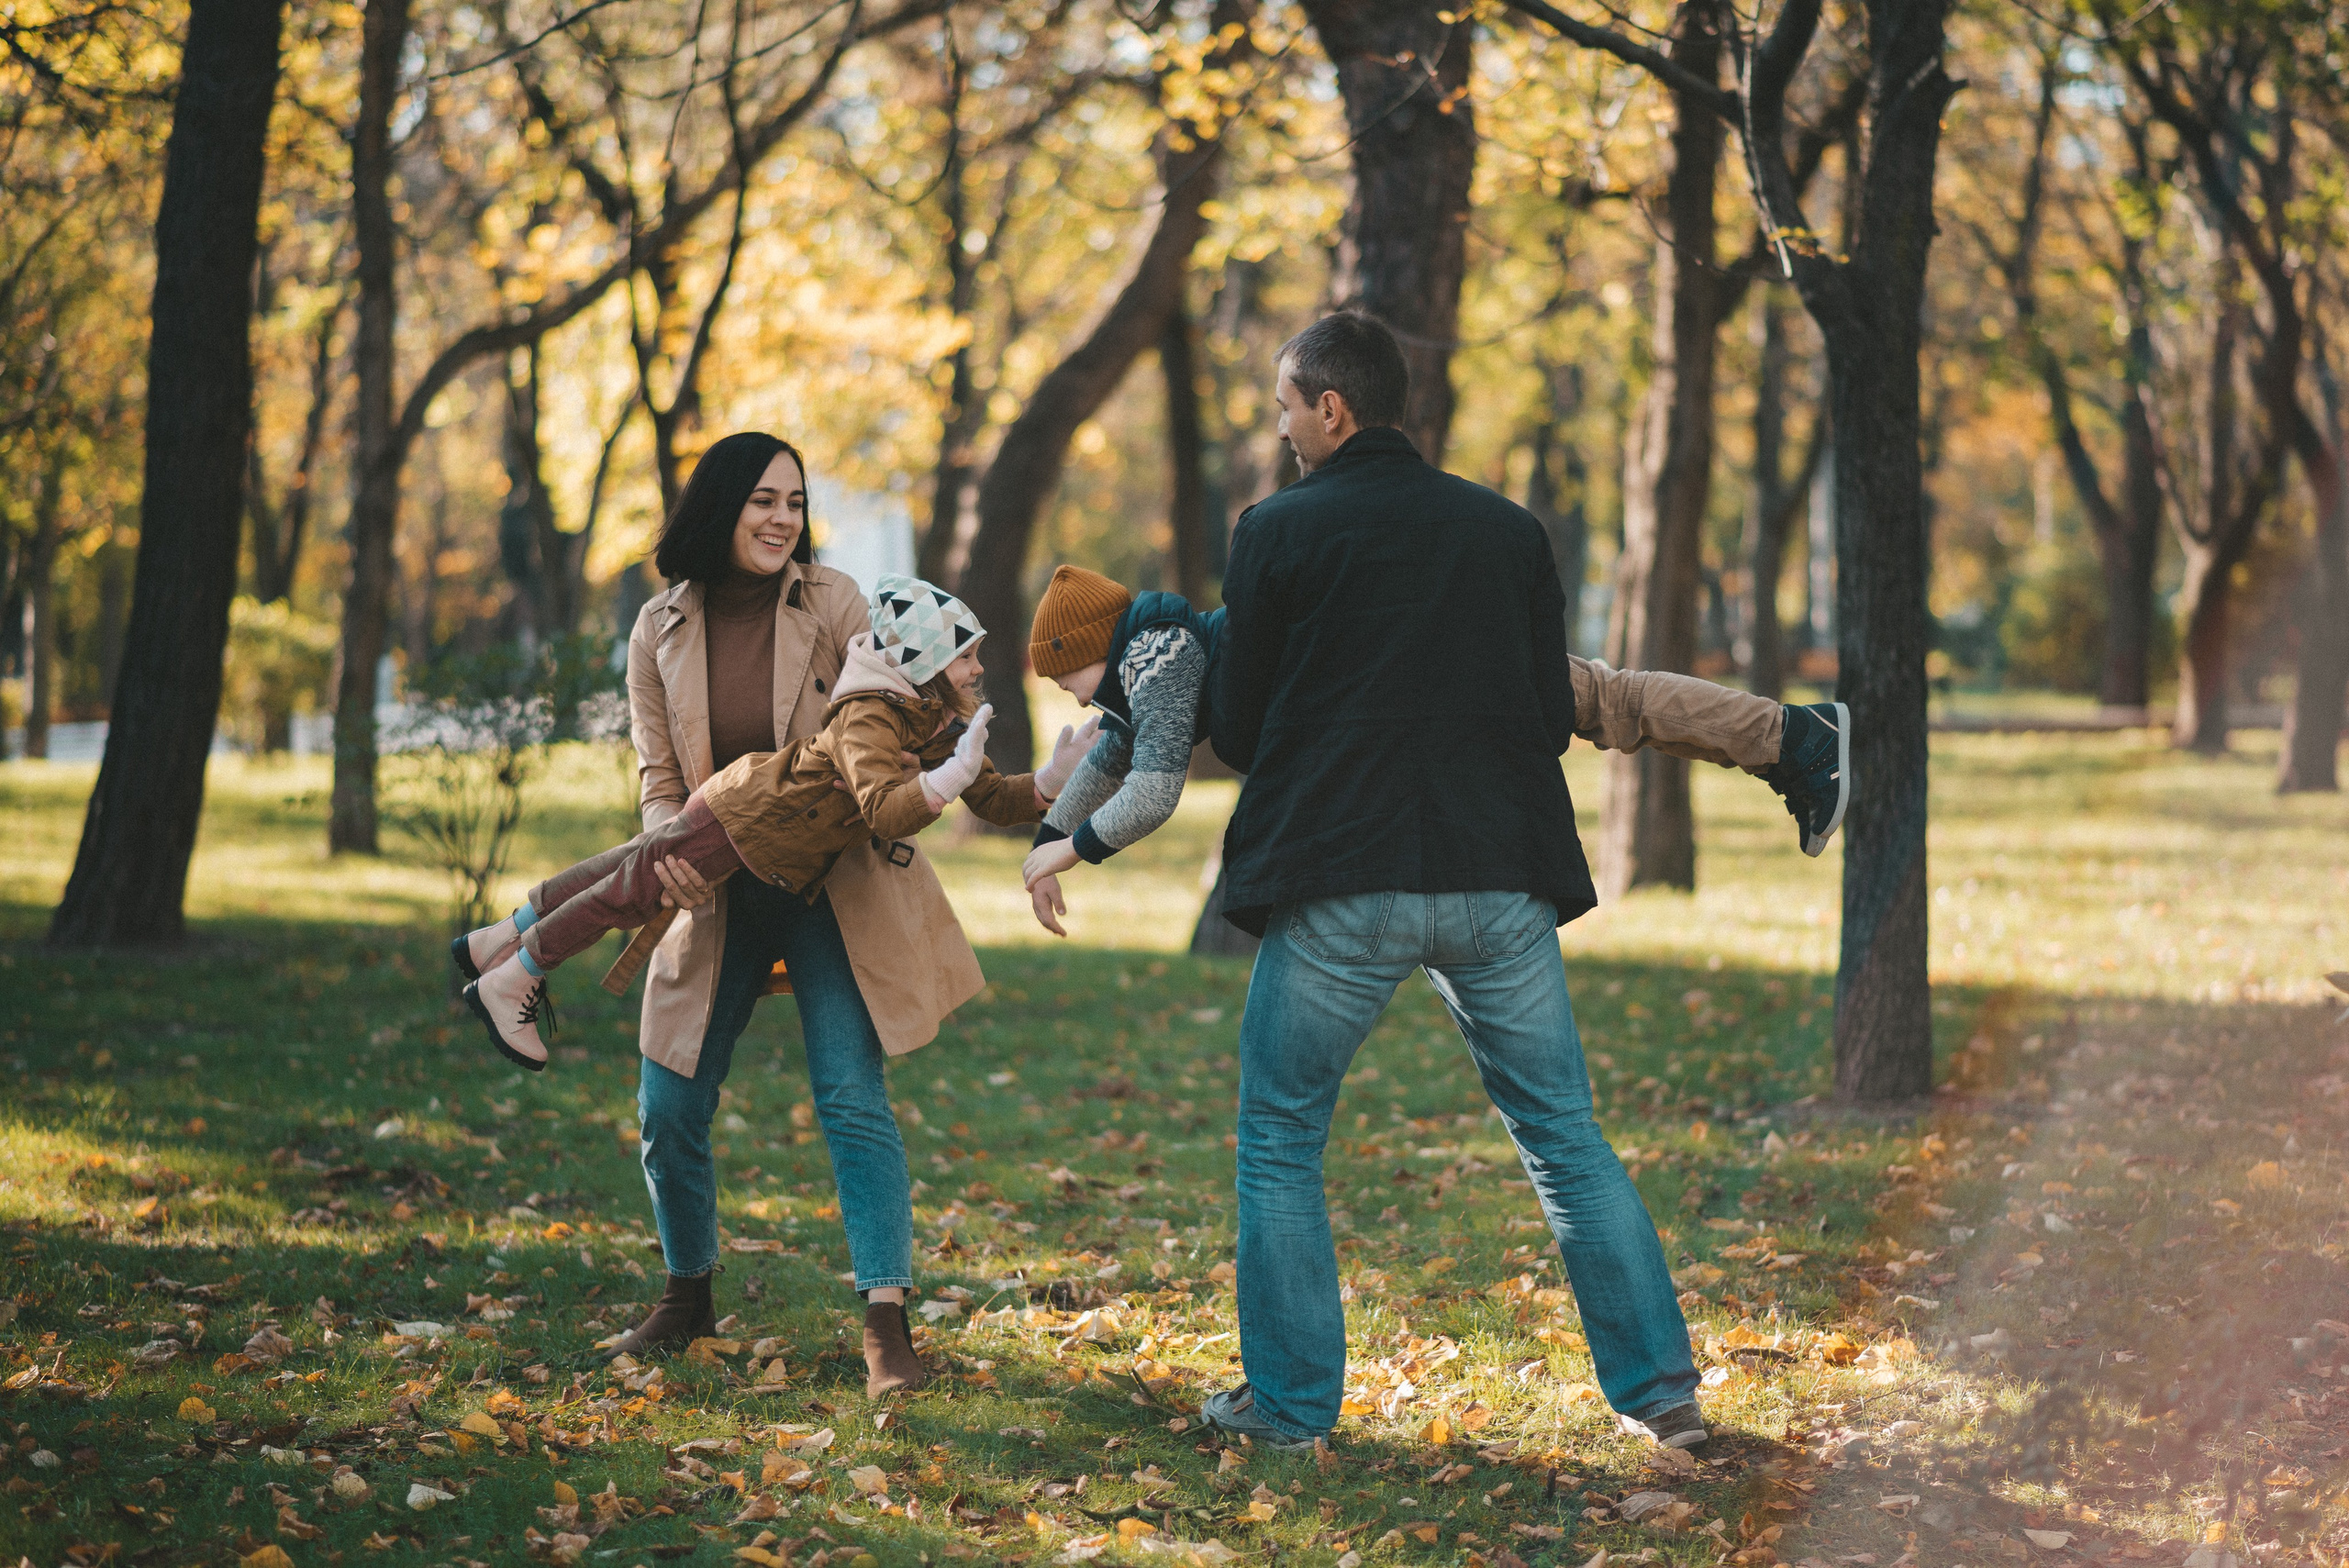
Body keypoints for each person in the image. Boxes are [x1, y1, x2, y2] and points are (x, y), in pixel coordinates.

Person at [1195, 313, 1748, 1452]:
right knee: (1562, 1133)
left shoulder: (1275, 531)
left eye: (1289, 405)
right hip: (1498, 879)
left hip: (1341, 881)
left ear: (1332, 409)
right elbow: (1547, 715)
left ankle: (1290, 1413)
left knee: (1282, 1135)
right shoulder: (1507, 530)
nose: (1284, 425)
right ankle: (1663, 1396)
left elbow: (1242, 730)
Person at [452, 434, 1064, 1396]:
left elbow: (894, 729)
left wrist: (1006, 779)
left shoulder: (837, 604)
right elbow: (659, 779)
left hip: (836, 884)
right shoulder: (657, 627)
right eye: (761, 501)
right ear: (719, 508)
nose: (782, 518)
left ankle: (885, 1325)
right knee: (670, 1106)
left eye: (794, 500)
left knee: (851, 1099)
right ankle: (685, 1295)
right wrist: (673, 857)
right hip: (718, 879)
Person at [453, 573, 1083, 1066]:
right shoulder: (869, 714)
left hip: (751, 810)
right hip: (745, 819)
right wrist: (943, 779)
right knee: (633, 891)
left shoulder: (927, 713)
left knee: (629, 864)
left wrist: (1051, 780)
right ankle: (516, 978)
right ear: (923, 659)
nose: (977, 669)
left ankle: (502, 936)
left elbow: (993, 796)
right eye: (965, 656)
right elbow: (884, 812)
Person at [1015, 563, 1845, 936]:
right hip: (1418, 666)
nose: (1075, 700)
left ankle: (1794, 738)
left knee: (1609, 702)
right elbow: (1116, 754)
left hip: (1432, 670)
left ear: (1095, 646)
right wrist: (1050, 838)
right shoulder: (1155, 657)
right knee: (1608, 702)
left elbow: (1155, 787)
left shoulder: (1155, 658)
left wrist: (1069, 852)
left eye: (1068, 679)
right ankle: (1792, 741)